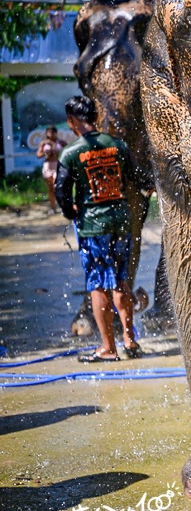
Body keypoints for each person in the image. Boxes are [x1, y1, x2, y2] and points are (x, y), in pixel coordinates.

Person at [55, 95, 143, 363]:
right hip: (121, 222)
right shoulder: (117, 146)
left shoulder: (70, 154)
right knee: (119, 279)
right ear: (95, 118)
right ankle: (129, 339)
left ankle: (108, 348)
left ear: (72, 121)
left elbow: (61, 190)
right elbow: (137, 178)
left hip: (94, 227)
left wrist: (71, 211)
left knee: (97, 285)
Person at [36, 126, 64, 214]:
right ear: (47, 133)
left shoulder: (61, 142)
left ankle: (62, 205)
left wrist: (57, 151)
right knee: (50, 187)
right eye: (49, 132)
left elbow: (68, 150)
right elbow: (38, 155)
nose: (51, 134)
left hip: (57, 165)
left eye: (52, 132)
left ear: (56, 133)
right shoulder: (44, 143)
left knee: (58, 186)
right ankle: (53, 207)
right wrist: (46, 153)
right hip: (48, 166)